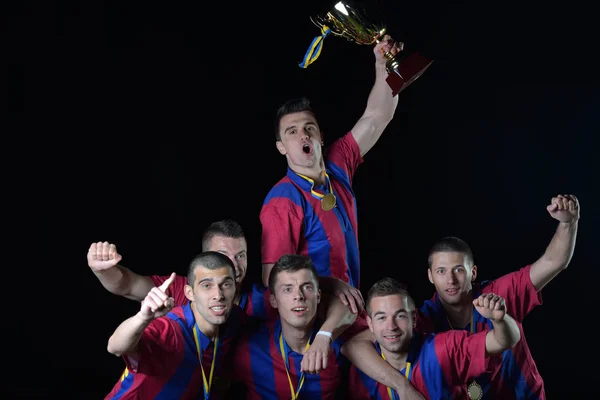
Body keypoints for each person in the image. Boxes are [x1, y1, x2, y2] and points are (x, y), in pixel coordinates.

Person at [342, 194, 580, 399]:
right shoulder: (421, 319)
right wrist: (402, 387)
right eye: (441, 271)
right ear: (430, 276)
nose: (451, 280)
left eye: (458, 270)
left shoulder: (499, 294)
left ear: (472, 272)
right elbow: (354, 344)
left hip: (519, 394)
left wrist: (569, 223)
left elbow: (553, 262)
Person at [89, 219, 364, 378]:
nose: (234, 264)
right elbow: (125, 285)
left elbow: (324, 302)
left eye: (241, 255)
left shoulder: (263, 298)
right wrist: (103, 269)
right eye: (224, 256)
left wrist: (328, 290)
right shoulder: (184, 288)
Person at [260, 35, 404, 295]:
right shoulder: (282, 201)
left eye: (309, 128)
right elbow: (272, 281)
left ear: (320, 136)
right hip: (313, 321)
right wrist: (329, 286)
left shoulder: (337, 162)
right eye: (291, 132)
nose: (303, 135)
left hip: (352, 311)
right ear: (281, 147)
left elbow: (378, 116)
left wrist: (382, 65)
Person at [346, 277, 521, 399]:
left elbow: (504, 340)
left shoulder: (444, 348)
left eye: (400, 316)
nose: (391, 326)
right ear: (369, 323)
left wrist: (500, 319)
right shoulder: (362, 371)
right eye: (381, 318)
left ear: (413, 319)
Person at [105, 251, 243, 399]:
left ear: (235, 289)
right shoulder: (170, 329)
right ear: (190, 293)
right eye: (207, 285)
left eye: (226, 284)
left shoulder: (234, 319)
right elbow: (115, 347)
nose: (218, 294)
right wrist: (143, 318)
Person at [229, 254, 367, 399]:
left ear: (318, 296)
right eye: (288, 289)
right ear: (273, 300)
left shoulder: (340, 345)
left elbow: (353, 313)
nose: (299, 296)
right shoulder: (248, 349)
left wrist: (324, 336)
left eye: (306, 287)